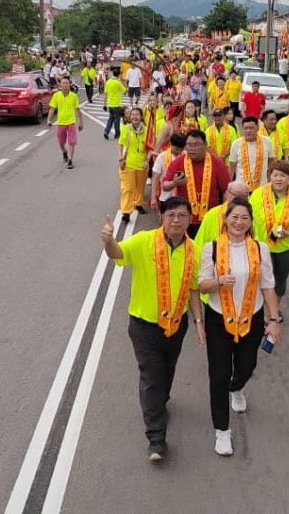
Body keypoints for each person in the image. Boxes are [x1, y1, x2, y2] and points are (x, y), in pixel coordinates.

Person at [100, 197, 205, 462]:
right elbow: (117, 254)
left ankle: (161, 399)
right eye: (171, 216)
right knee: (151, 375)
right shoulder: (144, 240)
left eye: (182, 216)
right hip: (144, 326)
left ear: (190, 219)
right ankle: (156, 439)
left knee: (167, 370)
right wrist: (108, 240)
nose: (176, 221)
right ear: (162, 217)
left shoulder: (194, 251)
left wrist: (198, 323)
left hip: (176, 326)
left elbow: (193, 289)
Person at [198, 198, 281, 457]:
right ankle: (222, 431)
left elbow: (267, 285)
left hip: (251, 317)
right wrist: (218, 281)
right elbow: (202, 285)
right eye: (234, 217)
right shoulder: (211, 248)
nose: (239, 222)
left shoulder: (260, 248)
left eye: (244, 218)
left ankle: (238, 388)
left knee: (247, 366)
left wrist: (274, 320)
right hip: (219, 319)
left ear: (250, 222)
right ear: (225, 219)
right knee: (218, 375)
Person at [250, 159, 289, 302]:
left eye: (283, 176)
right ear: (269, 176)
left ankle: (276, 307)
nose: (279, 179)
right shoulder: (257, 194)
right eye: (275, 175)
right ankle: (265, 310)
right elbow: (249, 218)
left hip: (287, 248)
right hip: (263, 245)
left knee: (280, 280)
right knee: (264, 278)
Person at [163, 130, 231, 239]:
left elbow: (227, 190)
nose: (192, 148)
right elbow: (165, 186)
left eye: (197, 145)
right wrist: (174, 183)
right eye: (189, 145)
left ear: (205, 145)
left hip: (210, 217)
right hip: (185, 218)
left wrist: (225, 213)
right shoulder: (179, 162)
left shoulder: (217, 162)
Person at [193, 180, 250, 251]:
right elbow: (199, 246)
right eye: (236, 195)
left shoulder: (251, 215)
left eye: (243, 196)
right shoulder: (212, 214)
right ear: (227, 194)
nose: (239, 200)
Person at [117, 107, 149, 221]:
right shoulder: (126, 129)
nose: (135, 117)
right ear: (130, 117)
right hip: (128, 164)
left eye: (137, 115)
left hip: (142, 165)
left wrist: (147, 160)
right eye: (132, 115)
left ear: (141, 117)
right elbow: (120, 144)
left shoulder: (147, 131)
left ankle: (139, 204)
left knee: (140, 187)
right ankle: (126, 212)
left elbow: (150, 148)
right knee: (128, 188)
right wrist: (120, 158)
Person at [47, 76, 84, 169]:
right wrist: (48, 119)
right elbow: (52, 108)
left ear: (70, 84)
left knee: (72, 142)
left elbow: (78, 110)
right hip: (61, 123)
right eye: (63, 83)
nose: (65, 85)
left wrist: (81, 123)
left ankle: (70, 160)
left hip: (71, 122)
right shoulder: (56, 95)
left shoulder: (74, 96)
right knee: (61, 142)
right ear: (60, 85)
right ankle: (64, 151)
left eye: (67, 83)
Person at [228, 116, 273, 192]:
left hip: (262, 188)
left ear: (257, 128)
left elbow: (271, 163)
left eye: (251, 128)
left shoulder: (267, 141)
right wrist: (228, 188)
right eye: (246, 128)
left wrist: (271, 182)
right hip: (241, 189)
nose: (248, 131)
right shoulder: (236, 144)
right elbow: (232, 168)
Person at [151, 132, 186, 212]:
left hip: (183, 197)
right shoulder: (162, 157)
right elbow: (156, 176)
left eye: (181, 149)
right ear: (170, 143)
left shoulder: (187, 156)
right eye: (177, 149)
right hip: (165, 197)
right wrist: (153, 197)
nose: (179, 152)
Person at [103, 68, 125, 140]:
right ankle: (117, 134)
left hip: (110, 104)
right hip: (116, 104)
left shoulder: (108, 82)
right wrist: (122, 81)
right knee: (116, 120)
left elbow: (105, 94)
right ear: (118, 75)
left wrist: (104, 104)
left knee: (110, 118)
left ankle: (106, 131)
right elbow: (125, 91)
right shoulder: (118, 83)